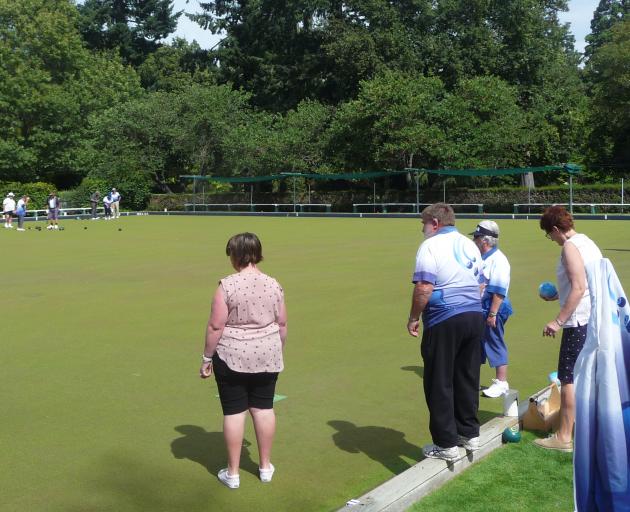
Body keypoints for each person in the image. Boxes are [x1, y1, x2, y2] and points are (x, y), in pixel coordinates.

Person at [200, 232, 287, 489]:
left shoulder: (227, 285)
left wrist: (206, 357)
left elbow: (216, 326)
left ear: (236, 256)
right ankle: (265, 467)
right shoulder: (274, 283)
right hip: (267, 353)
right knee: (263, 408)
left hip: (231, 355)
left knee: (234, 411)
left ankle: (233, 473)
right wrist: (275, 348)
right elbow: (282, 323)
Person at [407, 203, 485, 461]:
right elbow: (481, 284)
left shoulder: (429, 246)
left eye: (424, 223)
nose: (422, 228)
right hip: (475, 317)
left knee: (439, 380)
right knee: (467, 376)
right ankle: (469, 434)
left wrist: (414, 317)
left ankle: (446, 444)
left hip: (444, 319)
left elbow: (424, 287)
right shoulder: (469, 244)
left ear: (435, 223)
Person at [535, 206, 602, 452]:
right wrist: (558, 296)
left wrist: (557, 321)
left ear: (555, 229)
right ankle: (584, 427)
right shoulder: (588, 242)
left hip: (578, 322)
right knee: (586, 376)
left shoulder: (570, 247)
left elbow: (578, 287)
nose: (550, 239)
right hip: (594, 318)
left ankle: (563, 437)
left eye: (549, 234)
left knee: (568, 378)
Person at [470, 221, 513, 398]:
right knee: (476, 345)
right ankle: (472, 380)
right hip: (479, 308)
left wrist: (493, 314)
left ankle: (501, 383)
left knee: (494, 342)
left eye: (476, 237)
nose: (473, 240)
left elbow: (499, 290)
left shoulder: (499, 260)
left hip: (493, 308)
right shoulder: (479, 258)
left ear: (485, 240)